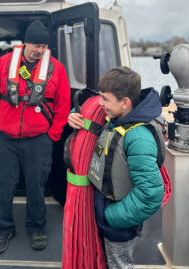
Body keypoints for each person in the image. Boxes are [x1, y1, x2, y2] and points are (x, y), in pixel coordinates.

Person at [0, 20, 70, 254]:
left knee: (36, 186)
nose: (39, 51)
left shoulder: (57, 69)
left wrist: (53, 134)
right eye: (36, 46)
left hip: (38, 139)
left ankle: (36, 228)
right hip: (2, 138)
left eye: (43, 46)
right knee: (0, 186)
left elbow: (63, 105)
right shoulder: (3, 63)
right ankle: (3, 229)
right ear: (25, 43)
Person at [68, 66, 164, 269]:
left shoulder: (138, 137)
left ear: (125, 102)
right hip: (107, 213)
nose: (100, 103)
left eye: (105, 99)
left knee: (119, 265)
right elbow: (91, 120)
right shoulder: (116, 119)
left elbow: (150, 195)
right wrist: (73, 116)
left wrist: (112, 216)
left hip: (119, 224)